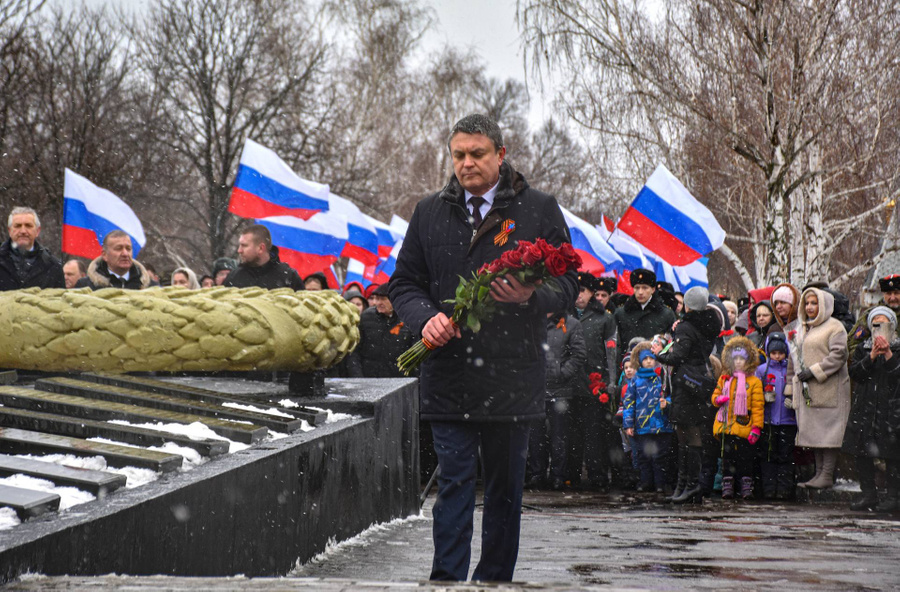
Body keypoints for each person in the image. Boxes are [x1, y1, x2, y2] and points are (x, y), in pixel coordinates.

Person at [389, 113, 578, 582]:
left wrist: (531, 295)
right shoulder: (430, 210)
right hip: (450, 373)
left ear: (501, 154)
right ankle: (447, 579)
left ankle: (494, 579)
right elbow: (404, 284)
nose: (467, 163)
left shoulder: (538, 208)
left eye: (477, 154)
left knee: (505, 492)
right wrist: (425, 319)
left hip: (512, 376)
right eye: (459, 155)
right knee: (453, 483)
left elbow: (570, 282)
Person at [656, 286, 721, 503]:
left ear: (687, 305)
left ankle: (687, 485)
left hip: (685, 383)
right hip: (700, 381)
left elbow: (678, 356)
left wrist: (660, 355)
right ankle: (687, 485)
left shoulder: (686, 327)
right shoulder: (709, 325)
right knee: (693, 435)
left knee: (685, 435)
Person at [788, 287, 851, 490]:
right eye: (807, 303)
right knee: (814, 433)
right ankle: (818, 473)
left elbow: (839, 356)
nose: (810, 307)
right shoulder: (802, 328)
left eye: (814, 303)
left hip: (829, 389)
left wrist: (815, 371)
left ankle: (826, 474)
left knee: (829, 434)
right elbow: (794, 357)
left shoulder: (835, 327)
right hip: (809, 391)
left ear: (824, 305)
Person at [842, 307, 900, 511]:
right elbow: (855, 373)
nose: (880, 329)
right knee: (862, 451)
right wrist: (872, 356)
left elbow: (897, 375)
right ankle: (869, 494)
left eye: (885, 324)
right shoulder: (863, 348)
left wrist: (889, 354)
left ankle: (893, 496)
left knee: (892, 453)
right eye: (876, 325)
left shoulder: (898, 348)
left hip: (890, 407)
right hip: (865, 406)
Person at [567, 272, 620, 491]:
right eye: (576, 291)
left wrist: (610, 381)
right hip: (568, 384)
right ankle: (570, 476)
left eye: (583, 291)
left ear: (591, 294)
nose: (579, 296)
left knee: (593, 435)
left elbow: (612, 353)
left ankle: (597, 476)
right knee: (570, 435)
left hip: (593, 385)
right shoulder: (563, 315)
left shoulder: (604, 318)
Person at [527, 309, 586, 490]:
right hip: (534, 389)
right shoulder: (531, 320)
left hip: (560, 390)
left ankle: (558, 475)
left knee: (559, 436)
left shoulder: (571, 324)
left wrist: (561, 373)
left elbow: (579, 354)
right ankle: (537, 474)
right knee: (535, 436)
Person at [711, 336, 765, 500]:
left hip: (744, 426)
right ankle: (727, 486)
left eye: (742, 358)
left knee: (745, 458)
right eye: (735, 359)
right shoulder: (725, 379)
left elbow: (757, 406)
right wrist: (718, 399)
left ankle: (746, 487)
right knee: (727, 458)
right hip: (727, 425)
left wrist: (756, 427)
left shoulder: (754, 382)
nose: (739, 362)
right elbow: (715, 396)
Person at [623, 346, 674, 493]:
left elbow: (671, 394)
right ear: (640, 361)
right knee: (644, 456)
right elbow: (629, 404)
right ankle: (646, 482)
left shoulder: (661, 378)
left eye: (651, 358)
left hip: (660, 425)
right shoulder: (635, 381)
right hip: (642, 425)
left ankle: (660, 483)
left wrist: (667, 403)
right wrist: (628, 424)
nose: (649, 361)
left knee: (660, 457)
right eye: (645, 359)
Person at [755, 332, 797, 500]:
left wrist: (793, 401)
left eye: (780, 353)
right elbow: (756, 394)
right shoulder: (762, 370)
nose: (777, 356)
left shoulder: (790, 370)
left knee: (785, 456)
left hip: (788, 420)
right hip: (768, 420)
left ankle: (784, 490)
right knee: (768, 456)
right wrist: (763, 399)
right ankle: (769, 489)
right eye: (774, 353)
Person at [348, 283, 414, 378]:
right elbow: (354, 351)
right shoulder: (366, 318)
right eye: (376, 298)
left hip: (397, 381)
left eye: (383, 299)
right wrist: (358, 377)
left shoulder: (407, 318)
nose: (378, 302)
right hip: (369, 379)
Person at [613, 268, 676, 366]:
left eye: (645, 287)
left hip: (655, 367)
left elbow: (671, 345)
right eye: (637, 288)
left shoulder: (666, 314)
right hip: (629, 367)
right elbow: (617, 346)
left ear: (653, 289)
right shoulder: (621, 313)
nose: (640, 292)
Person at [0, 207, 65, 290]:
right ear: (9, 230)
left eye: (28, 226)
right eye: (18, 226)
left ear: (37, 231)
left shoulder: (54, 266)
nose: (23, 231)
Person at [224, 225, 303, 290]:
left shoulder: (288, 276)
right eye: (239, 245)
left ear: (261, 248)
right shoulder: (233, 277)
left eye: (244, 245)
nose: (239, 250)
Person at [75, 230, 157, 290]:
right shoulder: (86, 286)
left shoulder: (150, 287)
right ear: (105, 255)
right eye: (119, 248)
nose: (125, 254)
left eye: (128, 249)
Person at [848, 275, 900, 353]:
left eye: (896, 293)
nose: (892, 298)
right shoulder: (870, 316)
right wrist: (869, 357)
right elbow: (852, 344)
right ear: (883, 295)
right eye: (889, 293)